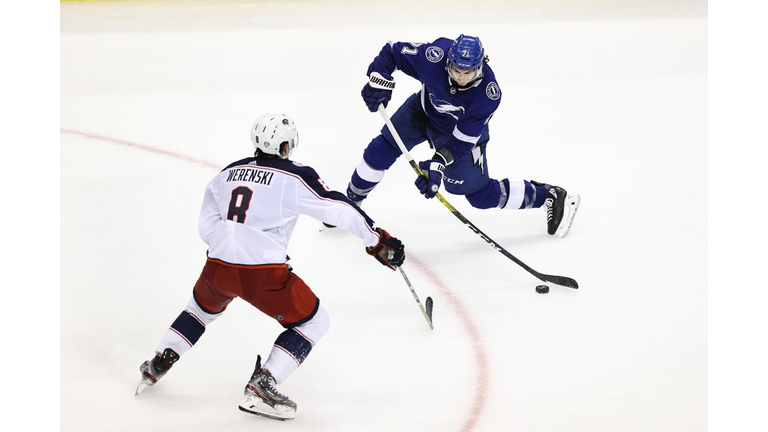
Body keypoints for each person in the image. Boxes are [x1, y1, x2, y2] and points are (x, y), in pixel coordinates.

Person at [135, 113, 406, 421]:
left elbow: (207, 224)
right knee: (314, 322)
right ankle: (265, 383)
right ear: (286, 147)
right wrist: (377, 239)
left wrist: (231, 245)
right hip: (261, 274)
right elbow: (338, 208)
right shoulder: (294, 176)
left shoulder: (228, 172)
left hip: (217, 267)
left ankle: (161, 359)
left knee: (199, 311)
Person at [346, 34, 580, 237]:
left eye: (468, 72)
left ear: (480, 65)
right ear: (449, 61)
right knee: (380, 150)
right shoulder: (433, 56)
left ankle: (548, 194)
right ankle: (349, 203)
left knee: (480, 196)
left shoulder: (488, 95)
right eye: (456, 70)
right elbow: (392, 51)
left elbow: (461, 142)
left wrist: (438, 163)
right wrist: (380, 80)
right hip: (421, 111)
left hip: (456, 136)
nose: (461, 77)